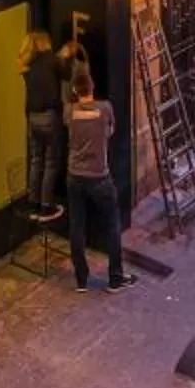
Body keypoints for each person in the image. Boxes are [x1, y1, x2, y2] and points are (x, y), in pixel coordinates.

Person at [62, 60, 132, 293]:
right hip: (99, 176)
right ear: (92, 87)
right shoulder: (104, 109)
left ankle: (81, 279)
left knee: (76, 227)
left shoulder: (69, 112)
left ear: (74, 90)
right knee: (112, 225)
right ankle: (115, 277)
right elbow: (111, 132)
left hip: (74, 176)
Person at [20, 26, 65, 224]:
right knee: (50, 161)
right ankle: (47, 206)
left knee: (36, 159)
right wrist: (64, 55)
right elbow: (67, 73)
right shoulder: (51, 60)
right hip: (48, 115)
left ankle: (33, 203)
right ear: (44, 41)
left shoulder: (28, 66)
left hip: (32, 117)